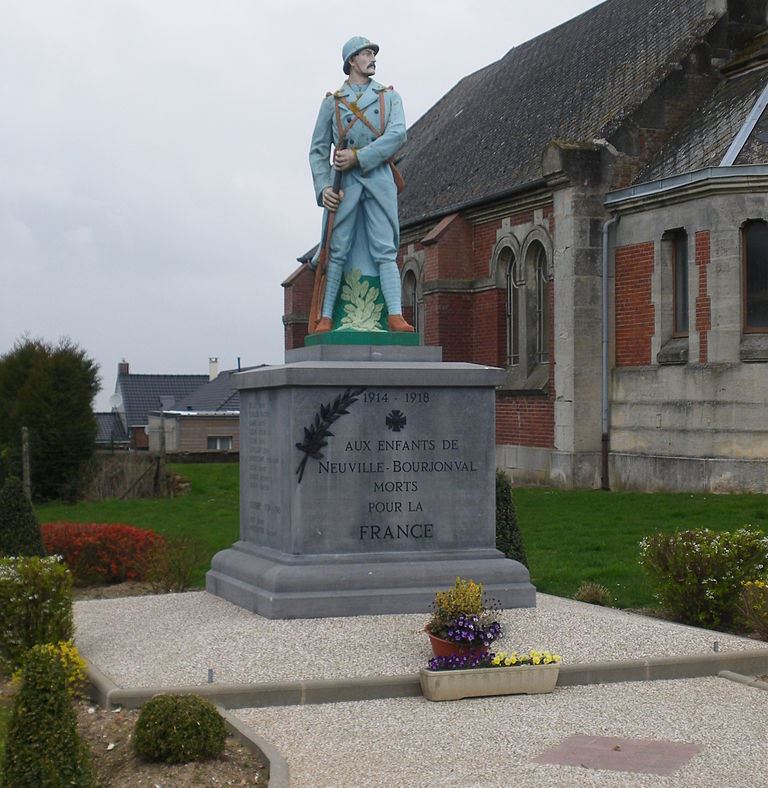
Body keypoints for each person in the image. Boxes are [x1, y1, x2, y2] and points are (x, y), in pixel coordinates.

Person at [309, 36, 414, 333]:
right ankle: (327, 316)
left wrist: (358, 157)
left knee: (386, 247)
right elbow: (318, 150)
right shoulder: (333, 102)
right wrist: (323, 189)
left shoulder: (390, 97)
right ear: (352, 60)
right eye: (367, 53)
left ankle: (395, 315)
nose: (372, 58)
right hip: (344, 185)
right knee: (337, 247)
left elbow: (397, 135)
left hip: (378, 180)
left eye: (372, 53)